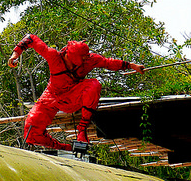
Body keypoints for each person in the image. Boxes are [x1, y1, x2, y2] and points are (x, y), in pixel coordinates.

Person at [8, 34, 143, 150]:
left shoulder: (89, 59)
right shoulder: (54, 56)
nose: (85, 59)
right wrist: (15, 55)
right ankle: (64, 148)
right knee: (31, 129)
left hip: (73, 95)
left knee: (94, 85)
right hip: (51, 95)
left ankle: (82, 128)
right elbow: (31, 38)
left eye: (86, 57)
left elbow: (108, 62)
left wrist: (132, 66)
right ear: (71, 55)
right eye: (82, 57)